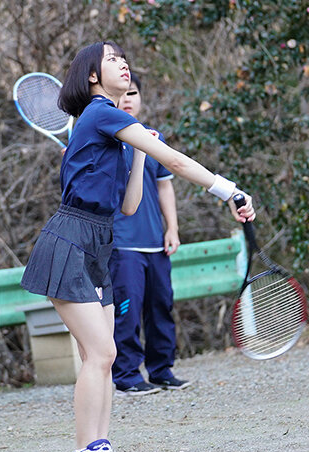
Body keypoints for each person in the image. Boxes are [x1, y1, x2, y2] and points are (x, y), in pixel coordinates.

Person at [20, 41, 254, 452]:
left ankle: (97, 451)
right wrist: (229, 190)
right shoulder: (99, 112)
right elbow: (177, 162)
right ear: (92, 75)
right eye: (111, 59)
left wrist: (142, 148)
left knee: (99, 357)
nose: (123, 63)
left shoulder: (111, 125)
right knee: (103, 353)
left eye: (123, 58)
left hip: (100, 242)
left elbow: (129, 206)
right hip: (70, 242)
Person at [109, 75, 189, 396]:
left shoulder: (153, 137)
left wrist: (172, 228)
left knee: (161, 308)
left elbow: (164, 186)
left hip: (156, 243)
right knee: (126, 312)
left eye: (133, 93)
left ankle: (161, 370)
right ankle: (127, 375)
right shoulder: (104, 137)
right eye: (122, 93)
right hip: (121, 244)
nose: (128, 98)